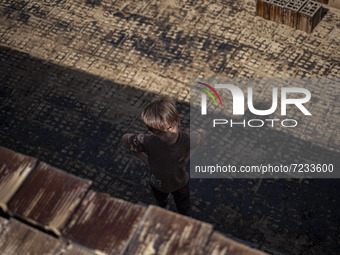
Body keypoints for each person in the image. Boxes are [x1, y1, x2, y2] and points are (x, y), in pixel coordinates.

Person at [122, 95, 205, 216]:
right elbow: (126, 139)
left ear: (178, 120)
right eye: (160, 133)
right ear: (152, 132)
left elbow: (202, 135)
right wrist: (147, 161)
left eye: (170, 127)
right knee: (160, 200)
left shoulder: (188, 139)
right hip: (158, 183)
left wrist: (186, 158)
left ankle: (184, 216)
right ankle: (163, 208)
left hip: (180, 182)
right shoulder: (147, 141)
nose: (168, 135)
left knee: (183, 206)